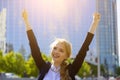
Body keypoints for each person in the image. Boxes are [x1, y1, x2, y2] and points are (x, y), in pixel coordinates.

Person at [22, 10, 100, 80]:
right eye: (55, 48)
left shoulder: (70, 70)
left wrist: (94, 23)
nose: (56, 51)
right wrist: (26, 21)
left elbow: (84, 48)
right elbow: (33, 45)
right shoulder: (43, 67)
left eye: (61, 50)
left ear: (66, 56)